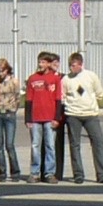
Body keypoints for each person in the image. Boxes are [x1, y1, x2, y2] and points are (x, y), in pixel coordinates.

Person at [61, 51, 103, 184]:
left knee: (98, 142)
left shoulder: (90, 76)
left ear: (80, 64)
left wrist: (94, 104)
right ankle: (78, 174)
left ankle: (102, 174)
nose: (72, 68)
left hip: (91, 115)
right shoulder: (66, 79)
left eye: (74, 65)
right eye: (70, 65)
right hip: (73, 115)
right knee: (75, 144)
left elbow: (99, 92)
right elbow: (62, 96)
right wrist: (68, 105)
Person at [24, 53, 63, 181]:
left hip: (50, 118)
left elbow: (58, 99)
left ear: (49, 64)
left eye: (43, 62)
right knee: (35, 145)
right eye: (39, 62)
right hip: (35, 118)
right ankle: (35, 173)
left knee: (50, 146)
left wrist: (56, 118)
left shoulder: (55, 79)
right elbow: (28, 100)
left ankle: (49, 173)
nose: (40, 65)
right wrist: (28, 119)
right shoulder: (32, 78)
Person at [0, 59, 23, 181]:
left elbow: (18, 97)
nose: (0, 74)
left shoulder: (14, 81)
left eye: (2, 71)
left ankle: (15, 171)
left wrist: (13, 109)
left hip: (9, 113)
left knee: (9, 144)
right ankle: (2, 171)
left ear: (7, 70)